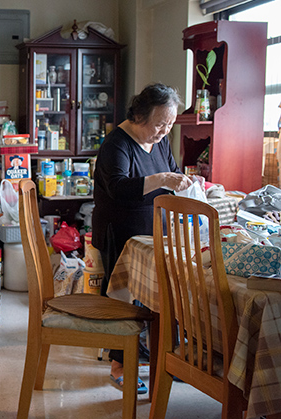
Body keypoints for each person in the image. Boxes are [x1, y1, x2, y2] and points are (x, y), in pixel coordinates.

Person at [91, 83, 193, 393]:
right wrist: (162, 180)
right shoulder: (116, 144)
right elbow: (120, 189)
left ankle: (166, 358)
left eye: (170, 124)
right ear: (139, 115)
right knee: (128, 300)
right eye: (160, 123)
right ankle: (120, 363)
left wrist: (184, 182)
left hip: (155, 234)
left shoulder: (159, 142)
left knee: (166, 294)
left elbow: (172, 171)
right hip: (120, 235)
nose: (164, 131)